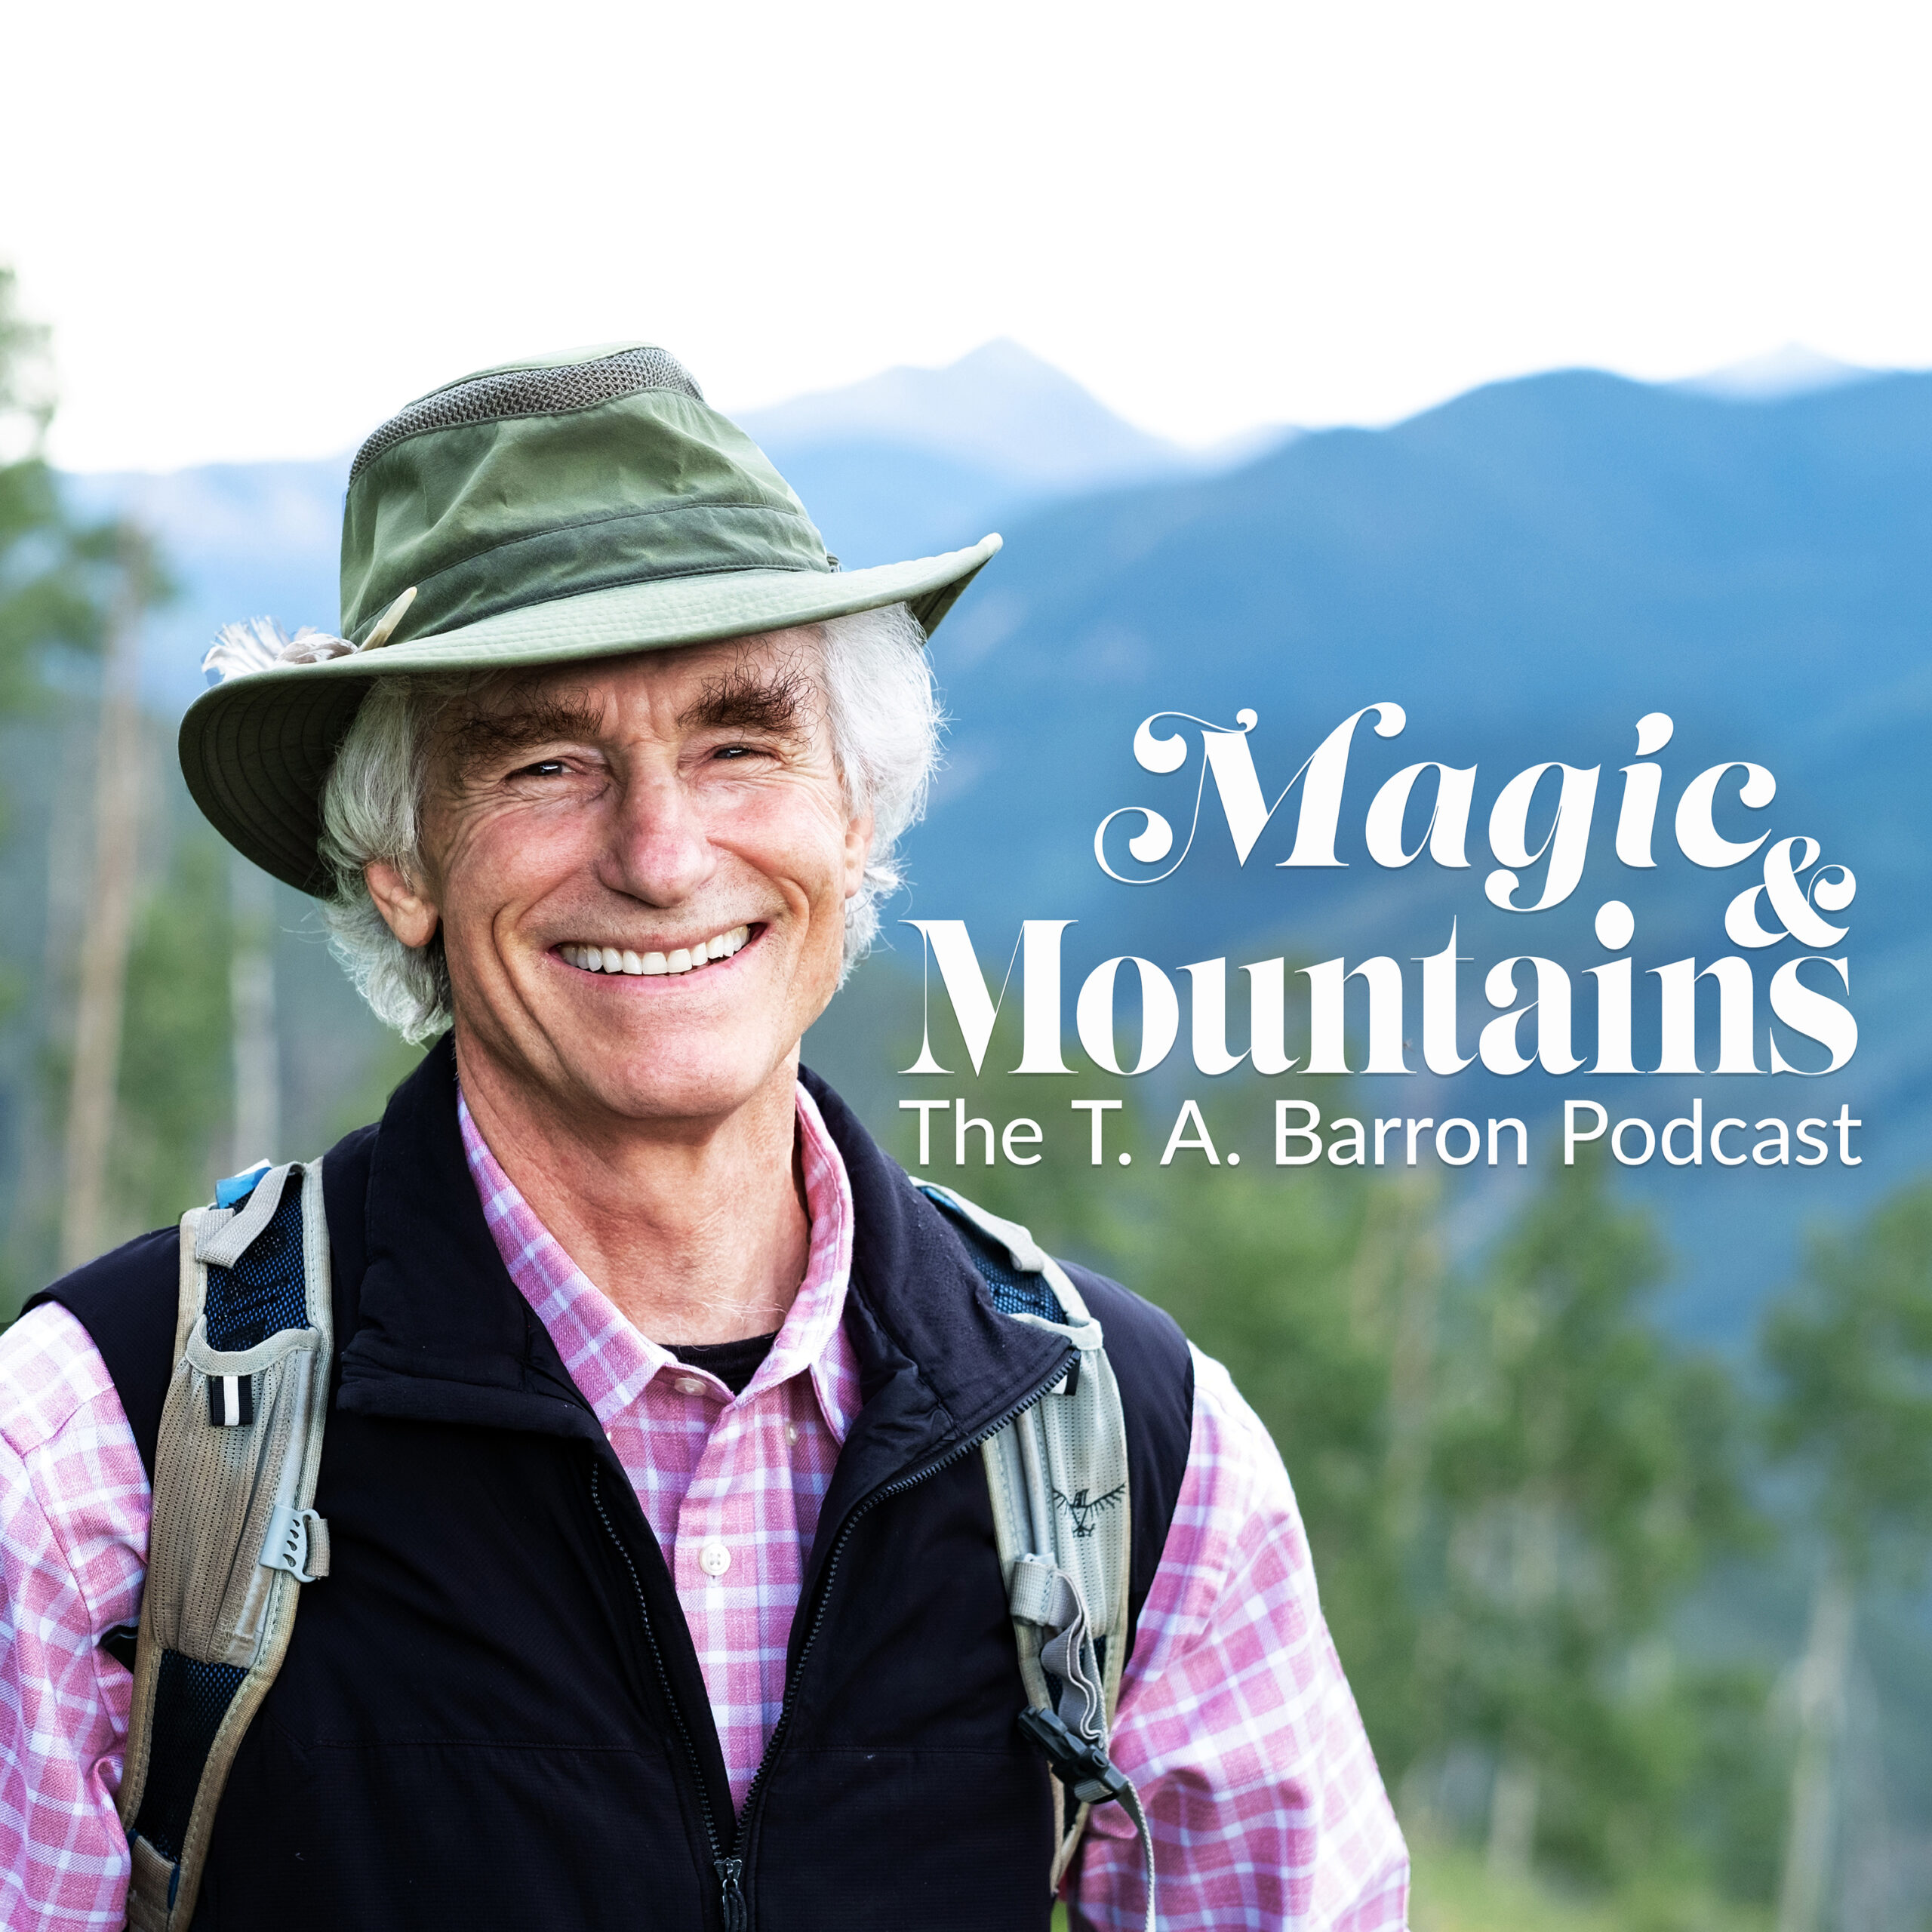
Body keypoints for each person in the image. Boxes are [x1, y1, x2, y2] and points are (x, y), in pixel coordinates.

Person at [0, 343, 1409, 1929]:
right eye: (543, 762)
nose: (663, 855)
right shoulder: (99, 1457)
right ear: (401, 864)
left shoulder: (1139, 1454)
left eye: (740, 743)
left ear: (853, 810)